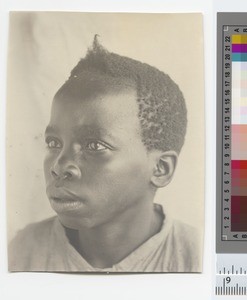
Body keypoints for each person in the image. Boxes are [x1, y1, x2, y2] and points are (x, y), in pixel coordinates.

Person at [9, 36, 201, 273]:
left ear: (161, 168)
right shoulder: (20, 250)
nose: (59, 167)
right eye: (54, 142)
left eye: (94, 146)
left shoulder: (197, 258)